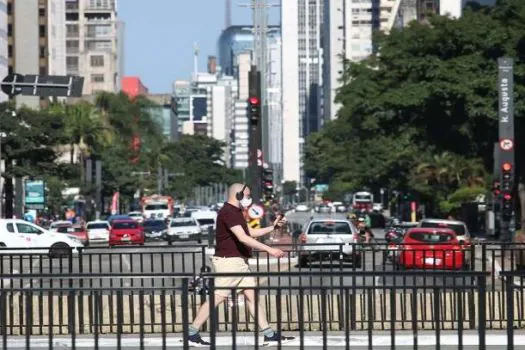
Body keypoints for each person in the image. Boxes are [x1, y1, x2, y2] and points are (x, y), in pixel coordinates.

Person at [187, 183, 295, 346]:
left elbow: (249, 233)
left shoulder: (235, 212)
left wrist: (272, 227)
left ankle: (269, 335)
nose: (249, 199)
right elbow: (243, 238)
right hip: (230, 262)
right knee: (217, 298)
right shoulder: (228, 212)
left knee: (251, 296)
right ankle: (192, 334)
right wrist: (270, 250)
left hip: (239, 262)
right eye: (247, 195)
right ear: (238, 195)